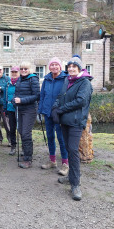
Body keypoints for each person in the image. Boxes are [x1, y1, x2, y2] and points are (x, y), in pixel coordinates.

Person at [53, 56, 93, 201]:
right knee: (68, 148)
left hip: (76, 122)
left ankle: (76, 184)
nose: (71, 69)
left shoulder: (85, 83)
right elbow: (60, 96)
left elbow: (80, 101)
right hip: (65, 121)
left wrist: (61, 109)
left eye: (73, 66)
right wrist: (55, 107)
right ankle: (71, 177)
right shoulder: (67, 80)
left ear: (80, 68)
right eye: (69, 66)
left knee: (73, 150)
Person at [38, 57, 69, 175]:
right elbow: (42, 96)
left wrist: (62, 110)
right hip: (47, 112)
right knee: (50, 136)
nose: (54, 67)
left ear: (60, 66)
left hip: (59, 113)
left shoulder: (65, 78)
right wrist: (40, 110)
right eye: (52, 65)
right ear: (49, 67)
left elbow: (65, 96)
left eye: (56, 65)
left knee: (61, 138)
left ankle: (65, 164)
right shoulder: (46, 79)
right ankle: (52, 160)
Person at [13, 62, 40, 169]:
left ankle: (28, 159)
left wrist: (22, 100)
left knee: (26, 133)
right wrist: (14, 99)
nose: (23, 70)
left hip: (30, 109)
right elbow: (17, 93)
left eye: (25, 69)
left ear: (29, 69)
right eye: (22, 69)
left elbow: (37, 96)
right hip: (20, 109)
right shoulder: (20, 79)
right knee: (20, 130)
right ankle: (25, 153)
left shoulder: (33, 79)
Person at [3, 66, 20, 156]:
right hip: (10, 108)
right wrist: (5, 108)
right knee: (12, 128)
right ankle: (13, 146)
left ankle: (24, 148)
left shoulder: (21, 82)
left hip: (19, 108)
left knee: (21, 128)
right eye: (12, 72)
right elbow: (5, 97)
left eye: (15, 72)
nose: (14, 73)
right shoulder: (7, 84)